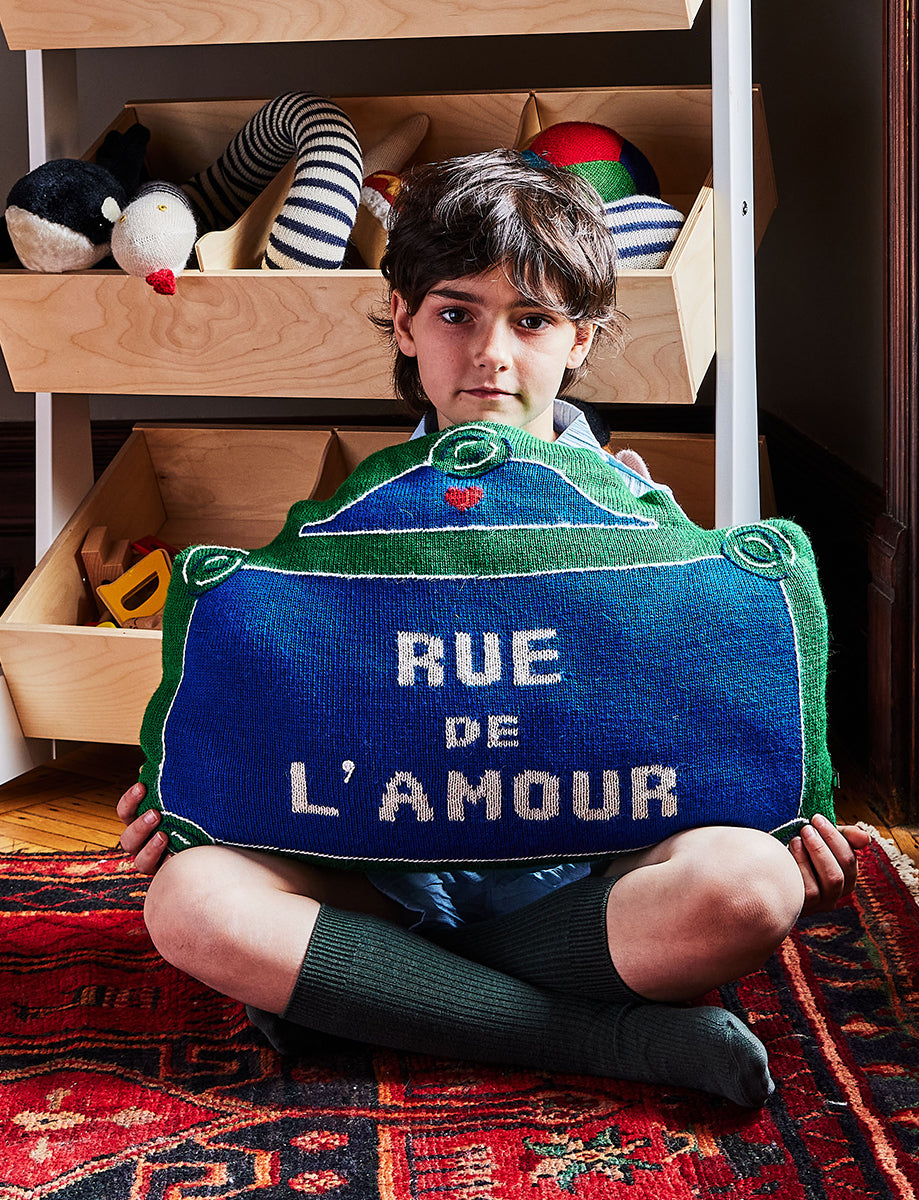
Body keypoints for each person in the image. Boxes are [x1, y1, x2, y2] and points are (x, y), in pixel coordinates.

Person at [118, 149, 871, 1110]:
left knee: (752, 886)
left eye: (533, 320)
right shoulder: (356, 520)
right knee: (187, 905)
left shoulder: (645, 518)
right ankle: (602, 1038)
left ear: (583, 337)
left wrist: (786, 816)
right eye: (455, 314)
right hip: (377, 876)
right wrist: (201, 792)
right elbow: (282, 700)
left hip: (586, 889)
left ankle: (379, 991)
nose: (492, 355)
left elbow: (709, 729)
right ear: (402, 319)